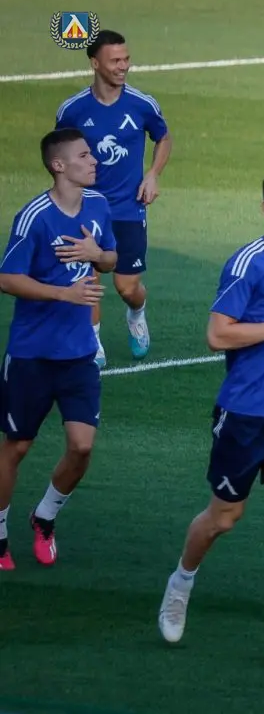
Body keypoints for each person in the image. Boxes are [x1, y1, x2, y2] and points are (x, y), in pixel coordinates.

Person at [156, 169, 264, 669]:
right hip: (247, 414)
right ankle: (181, 582)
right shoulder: (247, 264)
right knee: (224, 518)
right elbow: (218, 335)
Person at [0, 128, 117, 571]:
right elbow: (7, 278)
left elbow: (111, 258)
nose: (94, 160)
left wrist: (96, 253)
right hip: (31, 354)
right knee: (17, 447)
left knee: (82, 447)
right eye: (84, 155)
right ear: (59, 165)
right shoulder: (34, 217)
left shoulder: (99, 205)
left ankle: (44, 515)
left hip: (79, 352)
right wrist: (63, 294)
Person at [54, 30, 171, 365]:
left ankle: (137, 313)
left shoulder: (142, 104)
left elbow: (163, 138)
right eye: (115, 60)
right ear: (95, 63)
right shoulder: (73, 110)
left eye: (126, 59)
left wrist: (153, 174)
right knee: (87, 278)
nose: (123, 66)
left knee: (126, 287)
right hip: (84, 209)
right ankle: (93, 342)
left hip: (129, 209)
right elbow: (58, 154)